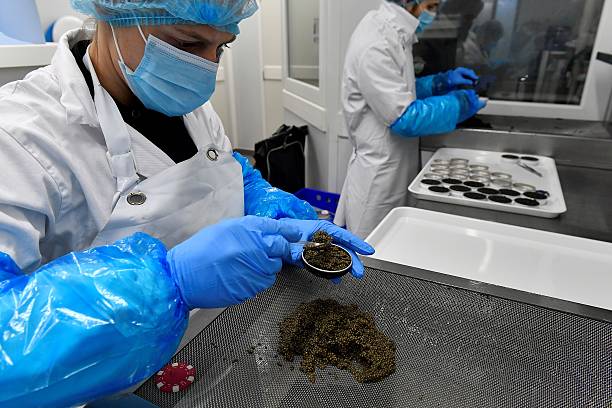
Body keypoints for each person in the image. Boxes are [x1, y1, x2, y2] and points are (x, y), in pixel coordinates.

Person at [0, 1, 375, 407]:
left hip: (219, 340)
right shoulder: (19, 135)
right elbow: (10, 342)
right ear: (114, 13)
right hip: (104, 387)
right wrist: (170, 283)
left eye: (221, 47)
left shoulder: (185, 103)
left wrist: (263, 200)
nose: (206, 67)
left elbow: (223, 168)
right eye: (188, 44)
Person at [335, 0, 487, 238]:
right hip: (379, 176)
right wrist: (458, 106)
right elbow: (405, 117)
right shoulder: (376, 43)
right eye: (431, 6)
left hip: (395, 165)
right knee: (370, 248)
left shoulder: (394, 34)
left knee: (392, 243)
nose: (434, 14)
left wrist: (440, 83)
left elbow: (398, 91)